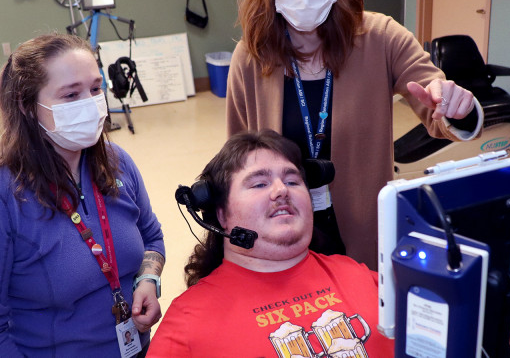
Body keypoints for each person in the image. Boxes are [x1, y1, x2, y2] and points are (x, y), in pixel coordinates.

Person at [226, 0, 483, 268]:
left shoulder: (380, 37)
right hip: (279, 236)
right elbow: (238, 161)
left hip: (361, 235)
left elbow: (433, 97)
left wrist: (456, 106)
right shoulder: (251, 56)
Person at [0, 33, 165, 357]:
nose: (90, 104)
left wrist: (147, 279)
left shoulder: (117, 163)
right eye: (70, 94)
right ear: (27, 105)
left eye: (95, 89)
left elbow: (152, 236)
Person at [147, 130, 394, 357]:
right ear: (221, 214)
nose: (280, 190)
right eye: (260, 184)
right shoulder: (189, 322)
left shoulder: (361, 275)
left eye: (292, 181)